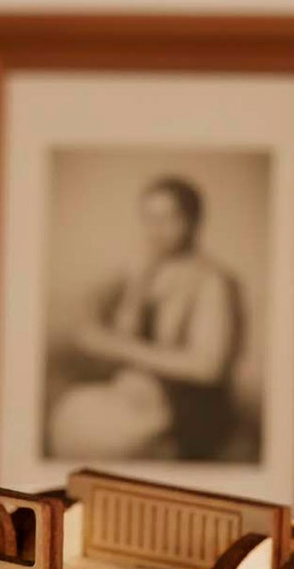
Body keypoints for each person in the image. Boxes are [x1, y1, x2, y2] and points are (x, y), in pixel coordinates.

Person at [47, 174, 243, 460]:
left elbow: (208, 367)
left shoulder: (214, 281)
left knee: (88, 433)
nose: (156, 230)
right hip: (142, 398)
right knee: (70, 411)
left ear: (193, 220)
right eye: (150, 219)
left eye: (168, 218)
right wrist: (134, 292)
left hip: (187, 412)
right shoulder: (149, 271)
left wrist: (114, 345)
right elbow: (122, 335)